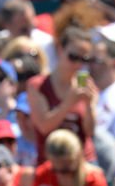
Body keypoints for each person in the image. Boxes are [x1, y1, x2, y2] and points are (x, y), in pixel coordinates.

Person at [26, 27, 98, 166]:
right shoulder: (37, 85)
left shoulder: (87, 84)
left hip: (82, 161)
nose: (78, 64)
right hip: (51, 162)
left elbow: (90, 131)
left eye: (84, 59)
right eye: (73, 57)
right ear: (60, 49)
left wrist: (89, 105)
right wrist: (69, 102)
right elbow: (44, 127)